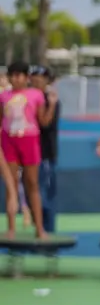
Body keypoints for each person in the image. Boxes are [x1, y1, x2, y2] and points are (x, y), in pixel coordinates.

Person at [0, 61, 57, 238]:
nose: (16, 79)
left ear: (26, 78)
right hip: (9, 140)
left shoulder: (35, 95)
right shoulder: (4, 96)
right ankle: (11, 228)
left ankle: (39, 228)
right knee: (12, 185)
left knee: (32, 184)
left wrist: (52, 105)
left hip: (30, 140)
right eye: (13, 76)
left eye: (20, 76)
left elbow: (44, 121)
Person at [30, 66, 59, 233]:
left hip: (45, 153)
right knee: (32, 191)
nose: (37, 82)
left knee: (46, 192)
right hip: (29, 154)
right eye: (34, 79)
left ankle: (48, 229)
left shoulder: (51, 101)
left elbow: (46, 126)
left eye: (41, 79)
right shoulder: (26, 99)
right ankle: (38, 226)